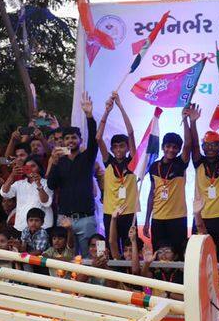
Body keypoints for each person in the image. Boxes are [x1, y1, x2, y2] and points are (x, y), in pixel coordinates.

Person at [47, 92, 98, 254]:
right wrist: (54, 163)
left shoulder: (87, 158)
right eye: (67, 138)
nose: (70, 141)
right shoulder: (59, 161)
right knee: (65, 258)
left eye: (74, 138)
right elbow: (51, 185)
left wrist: (89, 116)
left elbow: (94, 141)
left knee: (87, 258)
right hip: (64, 218)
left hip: (86, 219)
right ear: (63, 141)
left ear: (80, 140)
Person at [143, 108, 191, 257]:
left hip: (177, 218)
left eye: (175, 147)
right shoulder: (154, 167)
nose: (171, 150)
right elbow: (152, 193)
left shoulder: (180, 163)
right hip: (157, 219)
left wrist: (186, 121)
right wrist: (146, 221)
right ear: (163, 147)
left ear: (178, 149)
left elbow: (188, 144)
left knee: (178, 255)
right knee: (158, 255)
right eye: (168, 146)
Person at [96, 90, 137, 252]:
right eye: (116, 146)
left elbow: (131, 133)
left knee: (128, 248)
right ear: (112, 149)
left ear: (127, 148)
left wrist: (120, 106)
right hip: (110, 213)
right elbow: (98, 138)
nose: (119, 149)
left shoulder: (133, 162)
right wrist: (107, 111)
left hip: (128, 213)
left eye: (122, 146)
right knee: (111, 246)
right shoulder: (108, 162)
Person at [188, 105, 219, 245]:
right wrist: (193, 122)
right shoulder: (198, 162)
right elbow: (194, 144)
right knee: (200, 255)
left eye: (214, 145)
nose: (210, 148)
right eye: (207, 145)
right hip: (202, 216)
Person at [0, 155, 53, 232]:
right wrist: (12, 175)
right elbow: (4, 193)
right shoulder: (19, 184)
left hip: (42, 228)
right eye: (27, 167)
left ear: (39, 168)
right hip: (21, 226)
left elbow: (46, 202)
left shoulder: (46, 183)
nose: (30, 169)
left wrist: (39, 184)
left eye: (33, 166)